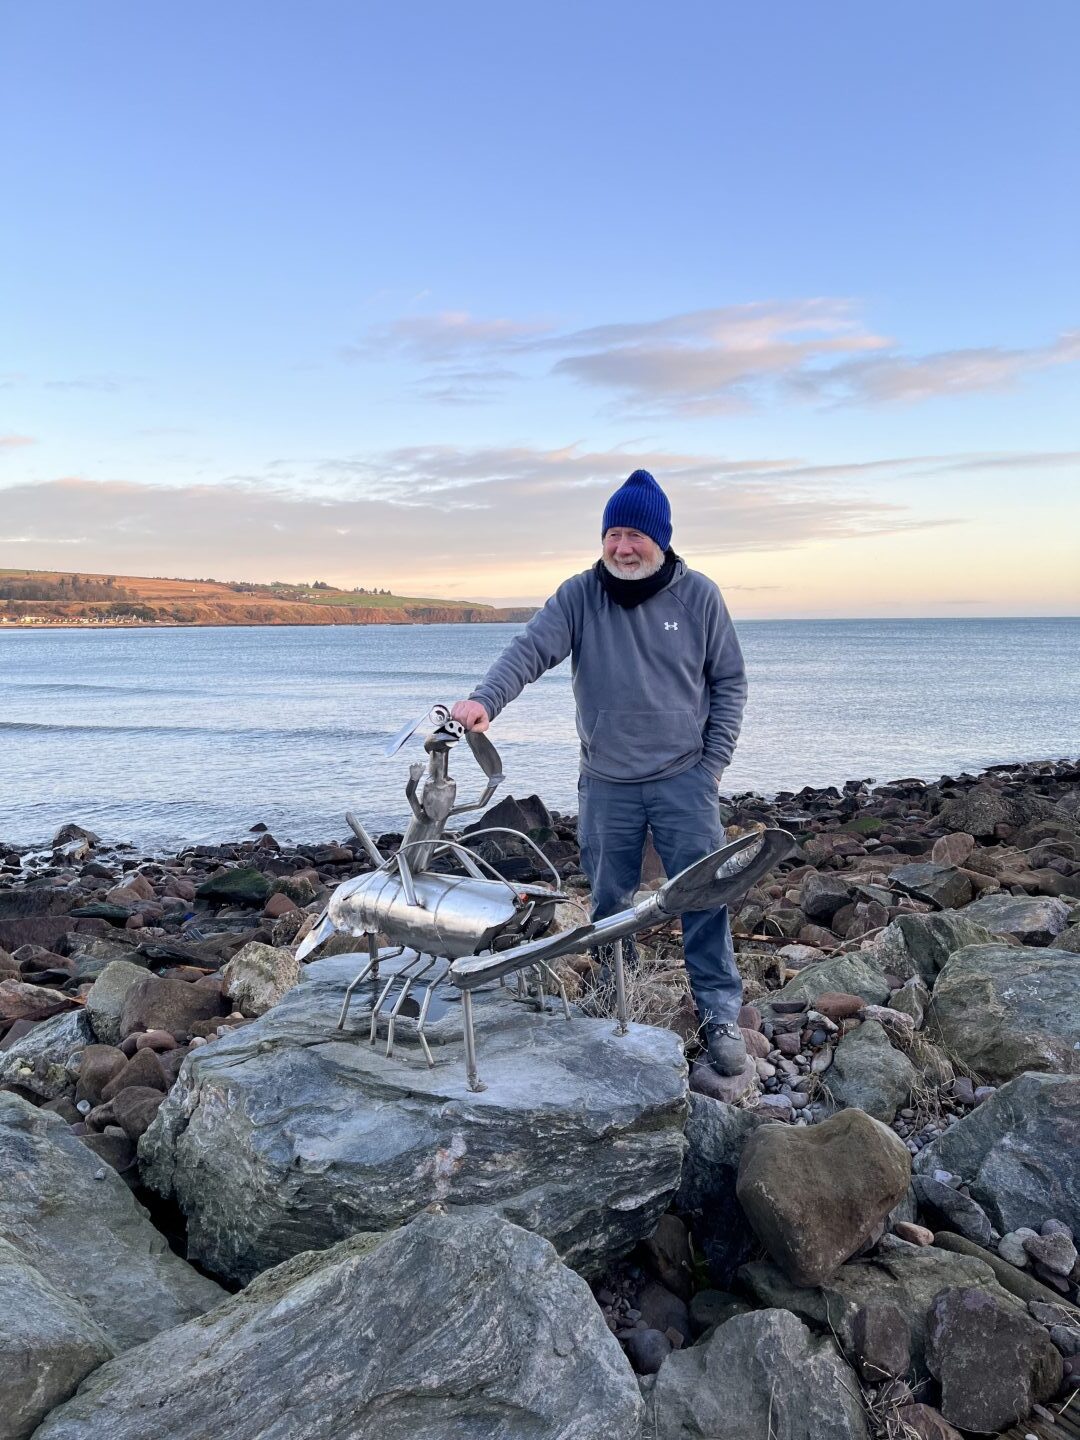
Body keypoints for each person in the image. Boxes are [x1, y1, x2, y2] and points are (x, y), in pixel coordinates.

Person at [451, 468, 749, 1075]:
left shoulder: (699, 598)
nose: (622, 547)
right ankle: (620, 990)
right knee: (610, 902)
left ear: (660, 538)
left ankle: (719, 1012)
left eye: (635, 534)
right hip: (607, 781)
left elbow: (729, 683)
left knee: (702, 899)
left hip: (684, 777)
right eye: (613, 533)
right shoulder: (580, 595)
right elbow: (529, 651)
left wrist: (711, 766)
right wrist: (486, 701)